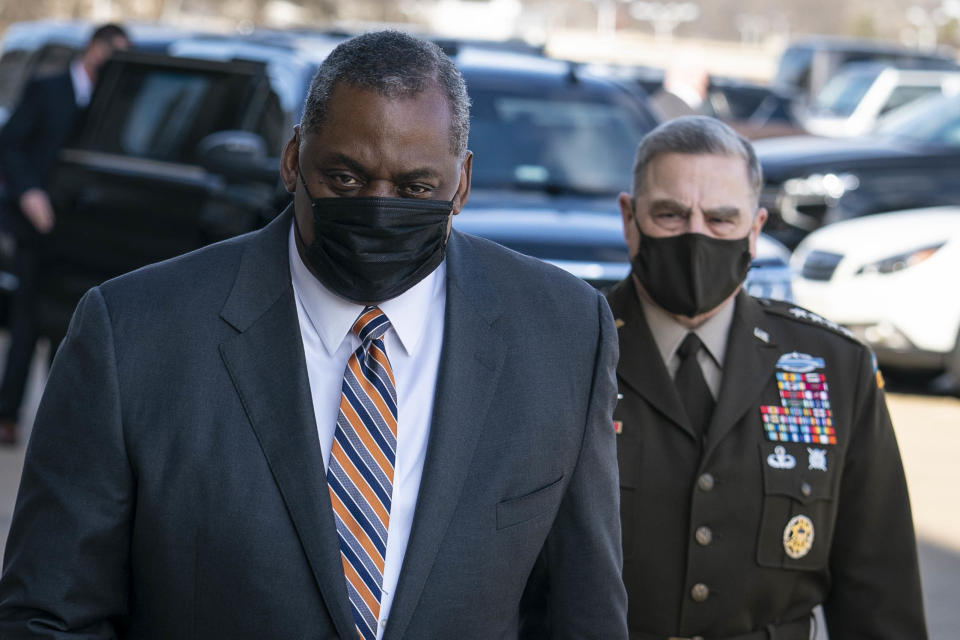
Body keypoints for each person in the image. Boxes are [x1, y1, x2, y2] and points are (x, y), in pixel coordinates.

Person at [0, 31, 627, 639]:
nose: (379, 207)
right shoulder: (133, 331)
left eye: (415, 189)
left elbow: (583, 612)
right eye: (346, 180)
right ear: (293, 157)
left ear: (460, 183)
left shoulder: (564, 333)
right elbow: (51, 614)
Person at [609, 116, 926, 639]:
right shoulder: (571, 351)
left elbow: (879, 592)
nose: (696, 236)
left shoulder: (833, 368)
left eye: (720, 219)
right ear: (630, 218)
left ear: (755, 232)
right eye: (670, 215)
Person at [0, 23, 130, 446]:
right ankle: (8, 415)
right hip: (36, 222)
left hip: (79, 232)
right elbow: (12, 144)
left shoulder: (113, 99)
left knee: (69, 326)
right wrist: (29, 193)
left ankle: (53, 423)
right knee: (26, 322)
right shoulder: (49, 87)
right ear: (93, 48)